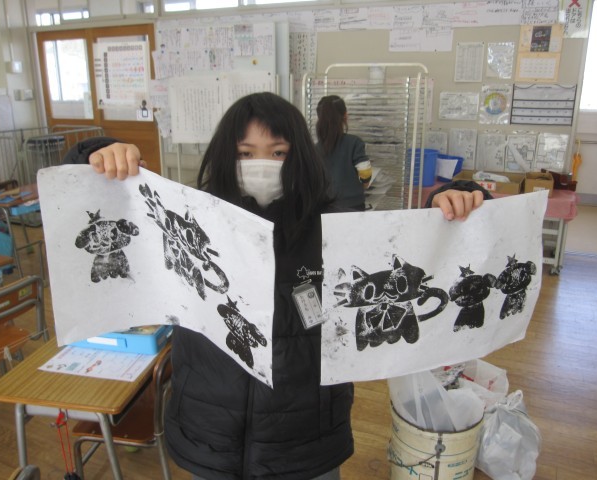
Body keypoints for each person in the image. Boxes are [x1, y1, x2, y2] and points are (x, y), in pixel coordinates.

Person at [63, 92, 488, 480]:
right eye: (245, 153)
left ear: (299, 155)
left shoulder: (333, 227)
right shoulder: (192, 221)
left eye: (278, 152)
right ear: (225, 156)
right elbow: (96, 197)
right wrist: (99, 151)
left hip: (306, 438)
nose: (261, 164)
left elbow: (407, 251)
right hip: (211, 430)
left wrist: (449, 202)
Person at [315, 95, 371, 211]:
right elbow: (365, 173)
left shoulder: (314, 149)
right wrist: (364, 184)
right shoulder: (355, 142)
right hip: (353, 205)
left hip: (324, 207)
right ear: (345, 115)